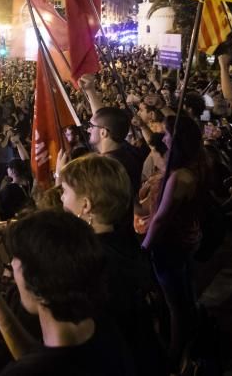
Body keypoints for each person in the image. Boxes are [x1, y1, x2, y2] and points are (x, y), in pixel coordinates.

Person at [0, 211, 133, 376]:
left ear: (39, 287)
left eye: (16, 258)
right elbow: (37, 356)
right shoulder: (104, 328)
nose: (13, 264)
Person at [59, 154, 166, 376]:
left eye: (64, 192)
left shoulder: (89, 264)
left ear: (86, 205)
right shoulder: (125, 245)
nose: (61, 199)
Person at [141, 116, 206, 372]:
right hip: (187, 238)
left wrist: (144, 247)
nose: (164, 139)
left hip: (170, 244)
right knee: (185, 294)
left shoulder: (179, 177)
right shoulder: (197, 164)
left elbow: (160, 219)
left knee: (174, 303)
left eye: (167, 135)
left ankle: (177, 353)